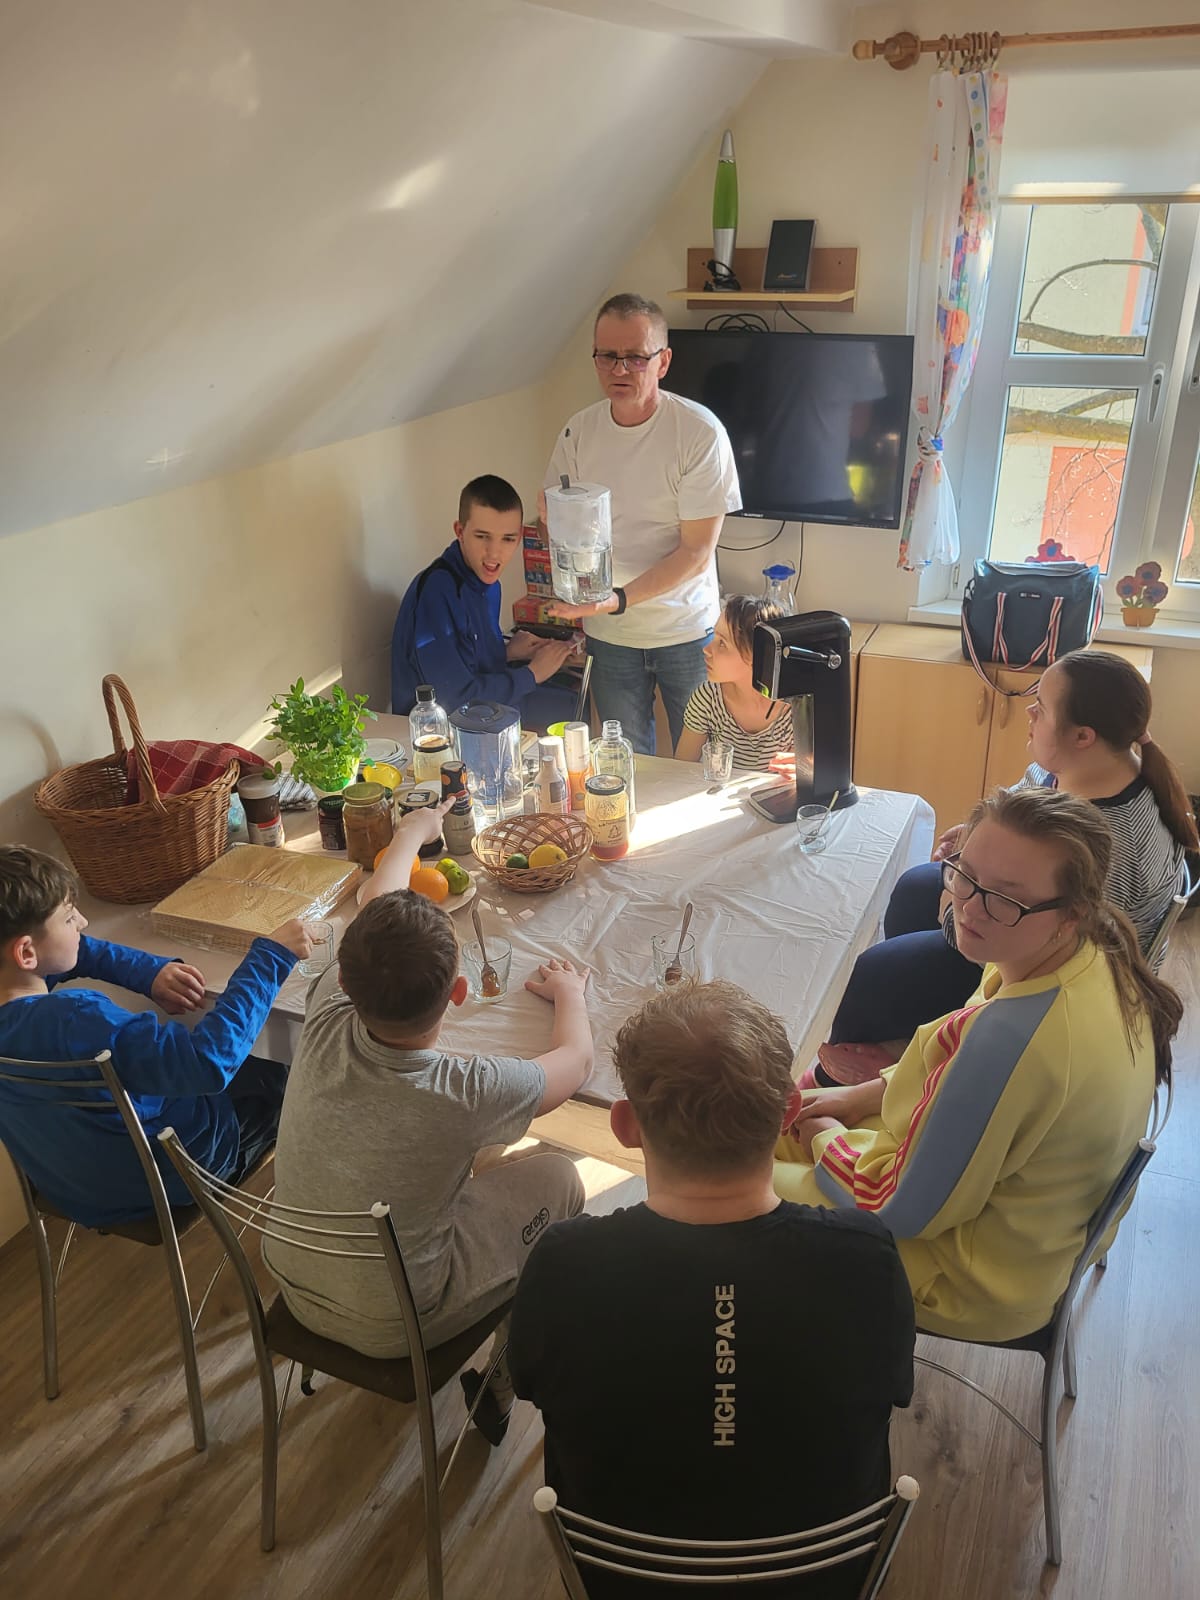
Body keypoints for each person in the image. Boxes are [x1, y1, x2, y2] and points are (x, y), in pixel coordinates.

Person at [509, 980, 915, 1600]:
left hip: (623, 1581)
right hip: (818, 1581)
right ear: (789, 1111)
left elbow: (530, 1385)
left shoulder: (564, 1263)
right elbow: (892, 1392)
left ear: (625, 1125)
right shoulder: (867, 1257)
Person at [776, 786, 1182, 1343]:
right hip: (1018, 1231)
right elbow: (950, 1073)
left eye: (1004, 899)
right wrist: (852, 1098)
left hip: (970, 1277)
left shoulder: (1019, 1038)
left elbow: (897, 1208)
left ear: (1071, 913)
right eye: (964, 875)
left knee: (721, 1175)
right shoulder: (1080, 953)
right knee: (761, 1125)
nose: (967, 907)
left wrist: (824, 1131)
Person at [262, 799, 591, 1445]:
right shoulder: (465, 1090)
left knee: (454, 1166)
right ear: (458, 993)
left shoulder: (327, 1008)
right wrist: (571, 994)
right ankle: (502, 1378)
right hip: (402, 1320)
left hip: (294, 1278)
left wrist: (412, 831)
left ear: (345, 978)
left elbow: (375, 901)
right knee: (560, 1177)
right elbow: (575, 1063)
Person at [815, 648, 1197, 1086]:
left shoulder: (1112, 843)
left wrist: (955, 900)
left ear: (1083, 736)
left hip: (1049, 977)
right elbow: (1015, 807)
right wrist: (975, 838)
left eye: (1043, 707)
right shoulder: (1072, 771)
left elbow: (1057, 957)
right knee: (912, 888)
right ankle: (917, 1037)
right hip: (1028, 922)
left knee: (872, 977)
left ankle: (872, 1083)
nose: (1029, 711)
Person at [0, 844, 310, 1226]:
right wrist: (271, 957)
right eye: (67, 917)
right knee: (288, 1063)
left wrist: (145, 971)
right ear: (26, 953)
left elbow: (67, 954)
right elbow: (207, 1063)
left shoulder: (22, 986)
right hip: (178, 1174)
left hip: (75, 1189)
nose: (82, 922)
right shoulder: (76, 1018)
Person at [543, 293, 741, 755]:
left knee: (705, 763)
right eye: (607, 356)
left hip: (685, 631)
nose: (619, 370)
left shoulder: (699, 433)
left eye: (635, 357)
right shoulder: (578, 431)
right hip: (610, 637)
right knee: (623, 766)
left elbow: (696, 553)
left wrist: (619, 599)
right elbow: (555, 512)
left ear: (663, 361)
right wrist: (556, 520)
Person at [390, 473, 579, 725]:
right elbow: (454, 700)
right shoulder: (437, 592)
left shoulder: (489, 585)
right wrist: (532, 673)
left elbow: (469, 661)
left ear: (519, 538)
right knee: (569, 716)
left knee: (577, 704)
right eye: (482, 536)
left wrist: (504, 652)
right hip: (439, 733)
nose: (494, 553)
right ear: (460, 531)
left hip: (484, 716)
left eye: (508, 539)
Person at [674, 594, 798, 773]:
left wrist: (803, 770)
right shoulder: (708, 697)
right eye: (713, 637)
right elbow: (680, 770)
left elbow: (804, 777)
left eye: (722, 644)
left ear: (758, 656)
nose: (706, 650)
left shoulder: (797, 708)